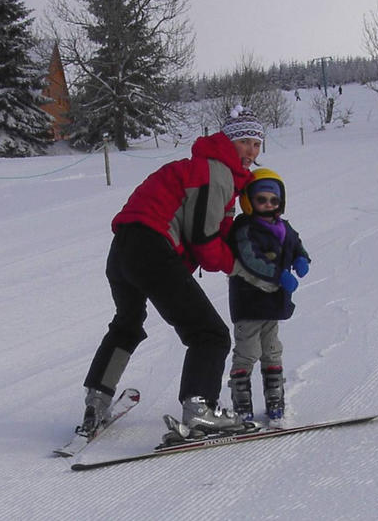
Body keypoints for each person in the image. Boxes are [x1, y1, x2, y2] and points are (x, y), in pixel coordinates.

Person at [79, 106, 263, 437]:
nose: (251, 151)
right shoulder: (215, 171)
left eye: (257, 144)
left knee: (127, 324)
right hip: (151, 248)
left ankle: (97, 399)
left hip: (122, 249)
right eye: (245, 141)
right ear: (228, 142)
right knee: (209, 334)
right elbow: (204, 242)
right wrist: (242, 270)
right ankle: (200, 408)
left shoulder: (196, 167)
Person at [226, 168, 311, 425]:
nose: (268, 205)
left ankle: (275, 398)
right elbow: (251, 259)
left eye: (273, 200)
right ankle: (242, 404)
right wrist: (277, 274)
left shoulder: (283, 226)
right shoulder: (245, 228)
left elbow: (295, 243)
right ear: (250, 201)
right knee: (248, 351)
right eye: (261, 200)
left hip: (273, 302)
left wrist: (301, 258)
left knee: (272, 349)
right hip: (249, 300)